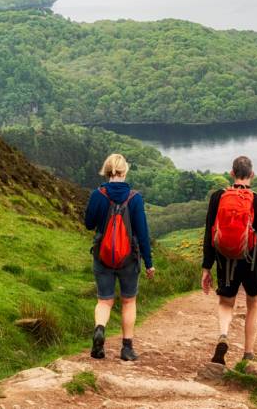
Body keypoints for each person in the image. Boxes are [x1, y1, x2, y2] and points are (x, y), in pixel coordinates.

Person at [202, 156, 257, 365]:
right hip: (252, 261)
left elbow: (209, 233)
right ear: (252, 175)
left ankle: (224, 335)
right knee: (253, 303)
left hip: (225, 259)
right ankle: (248, 354)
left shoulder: (218, 197)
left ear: (232, 173)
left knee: (226, 302)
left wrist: (206, 267)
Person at [83, 154, 154, 361]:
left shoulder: (98, 195)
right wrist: (149, 264)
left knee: (104, 301)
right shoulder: (135, 198)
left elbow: (88, 223)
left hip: (102, 255)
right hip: (129, 259)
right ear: (124, 172)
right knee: (128, 301)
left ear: (107, 171)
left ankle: (99, 329)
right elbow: (142, 234)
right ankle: (127, 348)